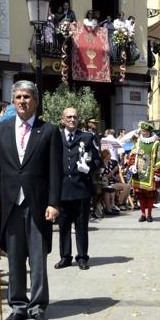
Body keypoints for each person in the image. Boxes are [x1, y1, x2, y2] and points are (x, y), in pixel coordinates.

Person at [0, 81, 62, 320]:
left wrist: (53, 203)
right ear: (13, 100)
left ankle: (38, 305)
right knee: (15, 256)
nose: (22, 101)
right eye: (18, 97)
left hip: (37, 203)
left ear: (35, 102)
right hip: (9, 204)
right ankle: (18, 305)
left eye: (27, 97)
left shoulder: (48, 131)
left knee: (37, 258)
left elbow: (55, 172)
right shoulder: (1, 129)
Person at [56, 106, 98, 271]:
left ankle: (82, 257)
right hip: (63, 189)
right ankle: (65, 257)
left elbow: (97, 161)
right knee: (64, 226)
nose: (72, 120)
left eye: (74, 117)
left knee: (81, 226)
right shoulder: (56, 137)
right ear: (62, 119)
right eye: (68, 117)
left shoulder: (86, 138)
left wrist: (89, 167)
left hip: (81, 189)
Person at [129, 122, 160, 222]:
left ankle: (149, 215)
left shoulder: (156, 143)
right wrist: (131, 165)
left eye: (144, 131)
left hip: (150, 174)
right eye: (142, 131)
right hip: (138, 173)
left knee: (150, 195)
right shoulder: (139, 141)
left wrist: (158, 173)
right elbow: (133, 154)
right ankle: (143, 214)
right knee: (140, 195)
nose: (142, 133)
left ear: (149, 132)